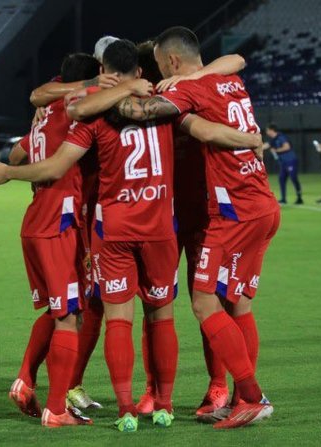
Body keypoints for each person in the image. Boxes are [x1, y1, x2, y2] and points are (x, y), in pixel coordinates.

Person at [0, 39, 263, 432]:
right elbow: (202, 127)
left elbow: (62, 137)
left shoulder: (94, 117)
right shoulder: (166, 109)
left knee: (117, 318)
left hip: (111, 227)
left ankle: (126, 408)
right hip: (162, 226)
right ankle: (165, 403)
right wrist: (248, 139)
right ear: (143, 72)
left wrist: (9, 171)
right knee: (162, 314)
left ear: (106, 73)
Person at [69, 26, 278, 429]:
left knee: (205, 303)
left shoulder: (185, 92)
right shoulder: (213, 84)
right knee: (174, 307)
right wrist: (249, 138)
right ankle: (172, 393)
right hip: (188, 212)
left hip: (210, 213)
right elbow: (233, 65)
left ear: (172, 63)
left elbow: (126, 111)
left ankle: (231, 391)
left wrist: (99, 92)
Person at [5, 52, 99, 428]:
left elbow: (17, 151)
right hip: (59, 222)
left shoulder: (47, 112)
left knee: (57, 309)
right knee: (69, 315)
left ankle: (25, 380)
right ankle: (57, 409)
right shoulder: (74, 109)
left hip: (35, 218)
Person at [263, 124, 303, 204]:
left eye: (267, 130)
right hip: (283, 162)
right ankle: (283, 199)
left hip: (290, 160)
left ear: (271, 130)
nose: (266, 132)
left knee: (293, 178)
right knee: (282, 179)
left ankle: (299, 198)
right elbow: (265, 146)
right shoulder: (272, 140)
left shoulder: (281, 137)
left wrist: (276, 150)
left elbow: (287, 147)